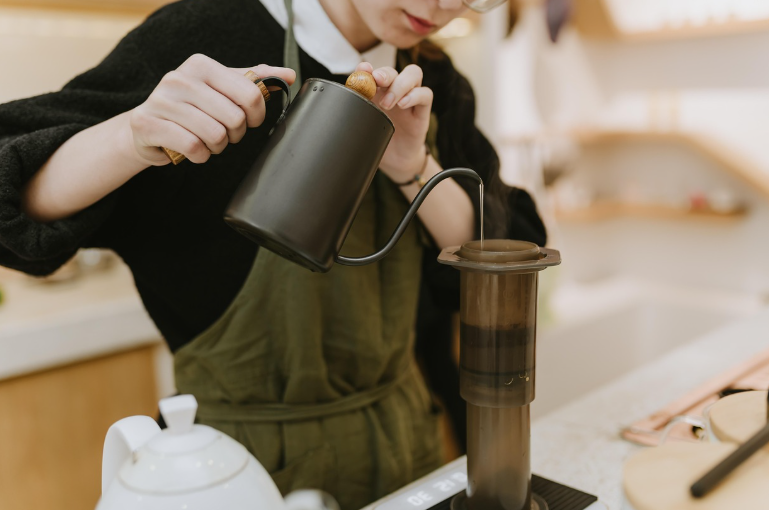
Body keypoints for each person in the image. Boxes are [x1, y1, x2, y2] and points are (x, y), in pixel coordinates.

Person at [0, 0, 546, 508]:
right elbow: (11, 197)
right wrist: (131, 138)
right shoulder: (208, 34)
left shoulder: (435, 81)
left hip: (412, 447)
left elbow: (495, 251)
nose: (444, 7)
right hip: (237, 469)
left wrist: (412, 168)